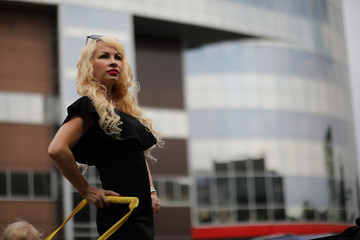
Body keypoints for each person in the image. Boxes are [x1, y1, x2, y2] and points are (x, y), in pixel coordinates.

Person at [48, 35, 162, 239]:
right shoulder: (88, 105)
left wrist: (151, 190)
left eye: (118, 57)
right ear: (89, 65)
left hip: (141, 209)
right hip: (121, 208)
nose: (113, 62)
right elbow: (56, 149)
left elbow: (136, 155)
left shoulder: (125, 110)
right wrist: (87, 190)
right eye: (104, 56)